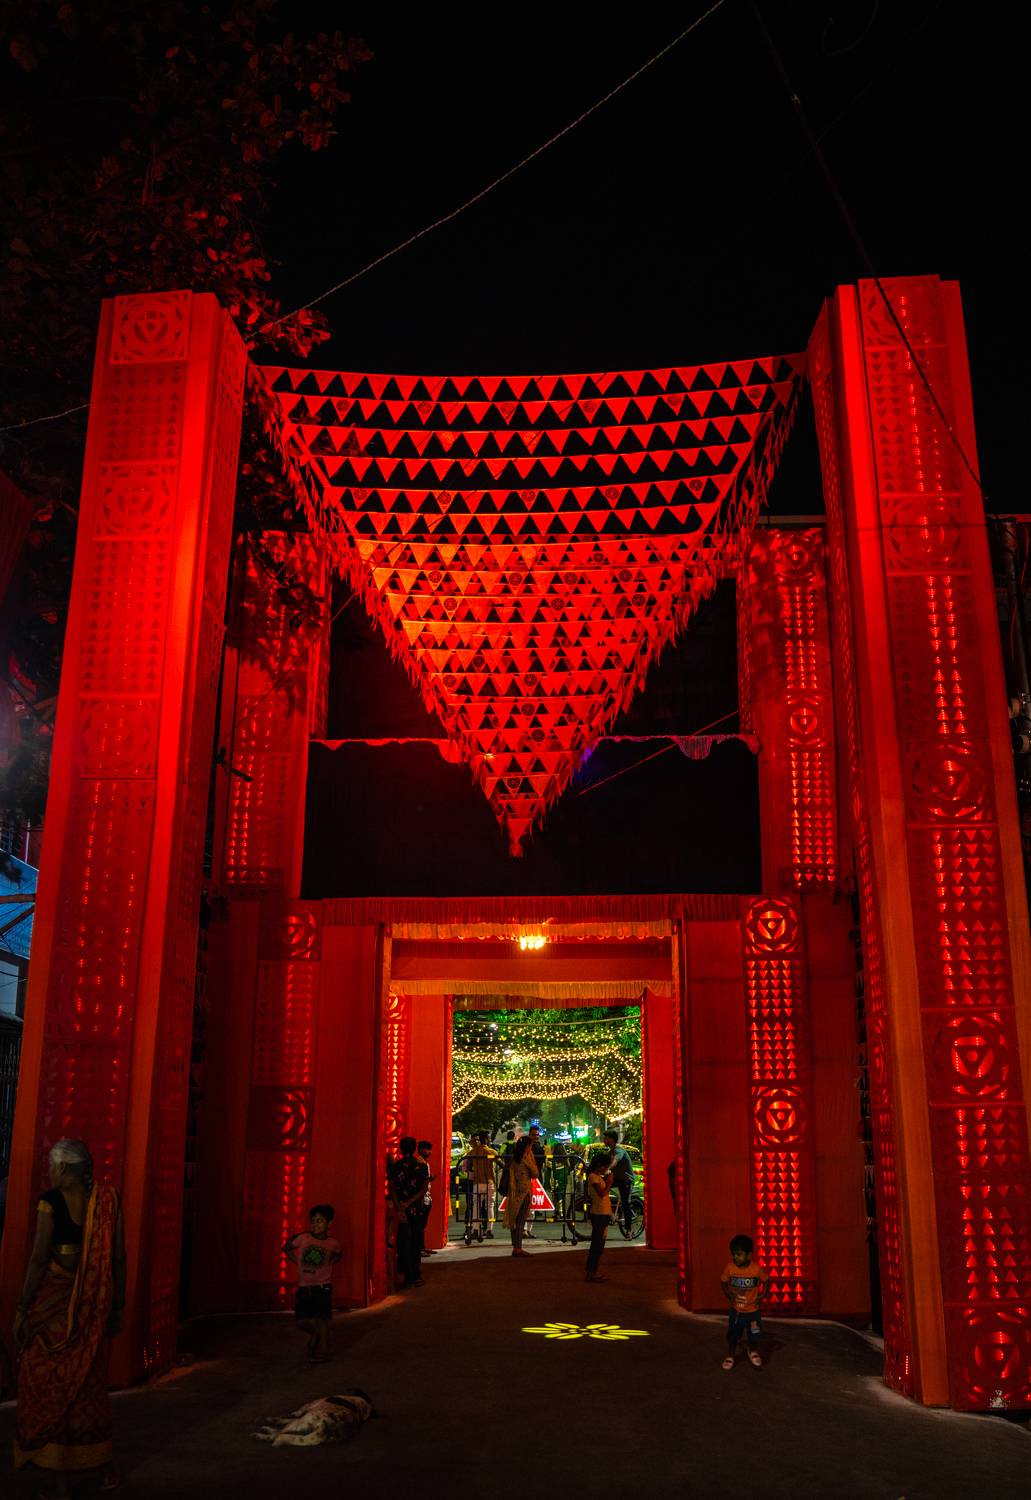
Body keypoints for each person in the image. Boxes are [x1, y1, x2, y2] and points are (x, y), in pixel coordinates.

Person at [13, 1138, 126, 1496]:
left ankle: (59, 1477)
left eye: (51, 1165)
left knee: (48, 1381)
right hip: (93, 1308)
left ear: (62, 1168)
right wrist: (117, 1307)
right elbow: (118, 1258)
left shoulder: (50, 1202)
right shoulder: (108, 1200)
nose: (49, 1172)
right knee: (87, 1387)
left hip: (54, 1310)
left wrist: (22, 1308)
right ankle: (103, 1466)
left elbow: (38, 1259)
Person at [284, 1204, 342, 1362]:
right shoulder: (304, 1238)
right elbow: (287, 1248)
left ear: (329, 1224)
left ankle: (323, 1350)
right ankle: (317, 1335)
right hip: (304, 1287)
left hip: (323, 1287)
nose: (316, 1224)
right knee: (301, 1321)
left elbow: (338, 1255)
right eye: (313, 1221)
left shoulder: (333, 1243)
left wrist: (330, 1263)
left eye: (320, 1220)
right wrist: (298, 1261)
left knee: (322, 1318)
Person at [720, 1233, 769, 1370]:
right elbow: (723, 1281)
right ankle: (730, 1355)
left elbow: (766, 1280)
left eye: (739, 1254)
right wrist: (728, 1295)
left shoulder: (756, 1269)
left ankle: (752, 1350)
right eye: (733, 1254)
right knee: (733, 1335)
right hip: (737, 1312)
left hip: (753, 1313)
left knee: (755, 1333)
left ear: (749, 1255)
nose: (735, 1257)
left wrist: (762, 1295)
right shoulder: (730, 1268)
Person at [389, 1137, 430, 1288]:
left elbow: (392, 1188)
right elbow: (423, 1189)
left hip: (400, 1209)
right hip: (416, 1209)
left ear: (401, 1148)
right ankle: (415, 1276)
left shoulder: (395, 1166)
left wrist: (399, 1204)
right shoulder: (421, 1166)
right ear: (414, 1149)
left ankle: (406, 1275)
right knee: (415, 1242)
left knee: (403, 1242)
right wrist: (410, 1202)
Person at [503, 1138, 537, 1257]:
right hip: (524, 1192)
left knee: (514, 1220)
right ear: (526, 1147)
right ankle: (518, 1248)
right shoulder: (525, 1160)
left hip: (514, 1192)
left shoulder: (514, 1159)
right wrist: (530, 1160)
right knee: (521, 1220)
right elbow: (535, 1173)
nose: (530, 1149)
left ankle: (515, 1246)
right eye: (530, 1146)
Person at [461, 1133, 497, 1243]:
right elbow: (500, 1163)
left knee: (476, 1206)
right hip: (489, 1182)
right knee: (490, 1206)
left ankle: (476, 1229)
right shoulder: (491, 1152)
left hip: (477, 1183)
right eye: (489, 1138)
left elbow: (468, 1166)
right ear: (485, 1139)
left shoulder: (473, 1152)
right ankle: (489, 1230)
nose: (490, 1140)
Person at [585, 1152, 615, 1283]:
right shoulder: (593, 1177)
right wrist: (609, 1183)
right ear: (599, 1165)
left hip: (603, 1213)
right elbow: (602, 1193)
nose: (606, 1169)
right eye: (605, 1166)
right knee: (597, 1245)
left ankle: (592, 1271)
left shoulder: (597, 1176)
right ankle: (591, 1272)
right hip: (599, 1214)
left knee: (599, 1245)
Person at [604, 1129, 634, 1234]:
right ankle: (610, 1213)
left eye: (606, 1138)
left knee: (626, 1203)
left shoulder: (619, 1150)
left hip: (626, 1180)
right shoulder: (610, 1152)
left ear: (612, 1139)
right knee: (602, 1187)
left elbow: (615, 1161)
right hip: (617, 1179)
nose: (604, 1140)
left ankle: (629, 1230)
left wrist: (608, 1169)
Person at [523, 1125, 545, 1238]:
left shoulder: (539, 1148)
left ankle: (528, 1230)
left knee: (532, 1207)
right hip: (524, 1179)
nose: (536, 1137)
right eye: (533, 1135)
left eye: (537, 1135)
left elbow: (541, 1163)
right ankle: (523, 1229)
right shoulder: (524, 1147)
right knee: (524, 1205)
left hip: (535, 1179)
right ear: (529, 1135)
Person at [417, 1141, 437, 1257]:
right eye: (427, 1149)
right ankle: (419, 1249)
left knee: (422, 1225)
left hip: (426, 1197)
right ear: (421, 1149)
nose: (430, 1152)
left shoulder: (424, 1162)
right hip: (423, 1198)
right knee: (420, 1225)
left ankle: (422, 1247)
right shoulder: (420, 1163)